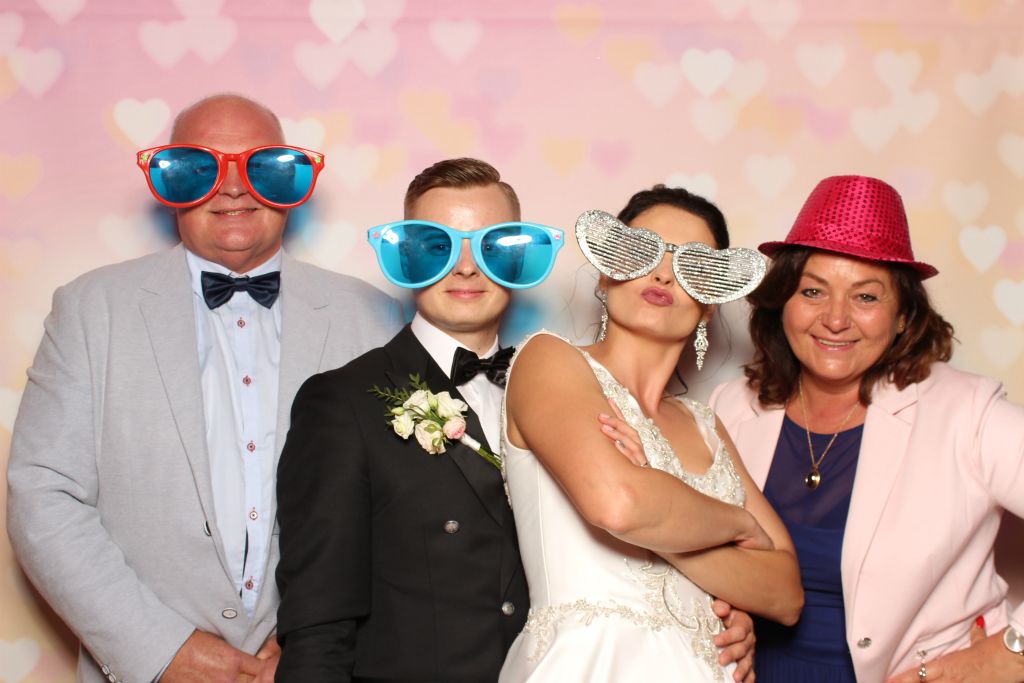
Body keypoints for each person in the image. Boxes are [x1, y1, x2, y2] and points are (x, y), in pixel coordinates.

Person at [6, 94, 404, 683]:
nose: (234, 188)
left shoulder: (374, 317)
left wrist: (316, 642)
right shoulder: (90, 310)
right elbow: (44, 496)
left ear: (293, 180)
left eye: (261, 167)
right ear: (168, 182)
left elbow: (402, 508)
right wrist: (160, 650)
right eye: (200, 167)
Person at [709, 174, 1024, 683]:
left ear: (902, 315)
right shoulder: (730, 407)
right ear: (783, 302)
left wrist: (1006, 655)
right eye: (813, 291)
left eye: (866, 297)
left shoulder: (967, 413)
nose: (835, 319)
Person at [499, 185, 804, 682]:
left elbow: (786, 596)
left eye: (693, 266)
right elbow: (618, 506)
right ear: (606, 270)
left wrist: (658, 511)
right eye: (640, 251)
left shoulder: (705, 423)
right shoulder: (549, 359)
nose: (663, 273)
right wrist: (740, 525)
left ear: (709, 304)